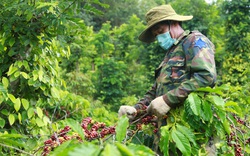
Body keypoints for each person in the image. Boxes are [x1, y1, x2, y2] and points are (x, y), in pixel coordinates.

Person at [118, 4, 217, 155]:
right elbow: (155, 91)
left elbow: (206, 76)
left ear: (174, 23)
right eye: (156, 34)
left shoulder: (194, 41)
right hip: (167, 136)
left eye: (161, 31)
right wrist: (136, 109)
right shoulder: (170, 53)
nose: (159, 37)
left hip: (191, 135)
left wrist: (168, 99)